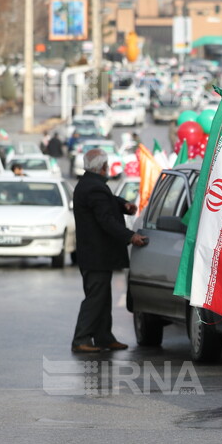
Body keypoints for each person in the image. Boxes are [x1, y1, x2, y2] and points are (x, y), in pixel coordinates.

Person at [71, 148, 148, 353]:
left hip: (95, 254)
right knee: (96, 297)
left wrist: (124, 205)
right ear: (103, 167)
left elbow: (109, 202)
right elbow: (106, 220)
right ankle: (81, 338)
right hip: (96, 254)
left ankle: (104, 336)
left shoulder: (91, 184)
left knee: (103, 297)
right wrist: (130, 236)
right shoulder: (94, 188)